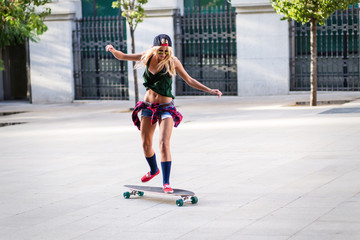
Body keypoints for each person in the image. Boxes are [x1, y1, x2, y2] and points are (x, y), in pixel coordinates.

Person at [106, 34, 222, 193]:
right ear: (154, 49)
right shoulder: (146, 57)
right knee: (146, 144)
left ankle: (166, 182)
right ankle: (154, 170)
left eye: (166, 51)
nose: (163, 54)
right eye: (160, 51)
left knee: (163, 143)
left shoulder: (173, 62)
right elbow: (123, 56)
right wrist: (113, 50)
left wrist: (209, 90)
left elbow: (189, 80)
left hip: (166, 108)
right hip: (148, 106)